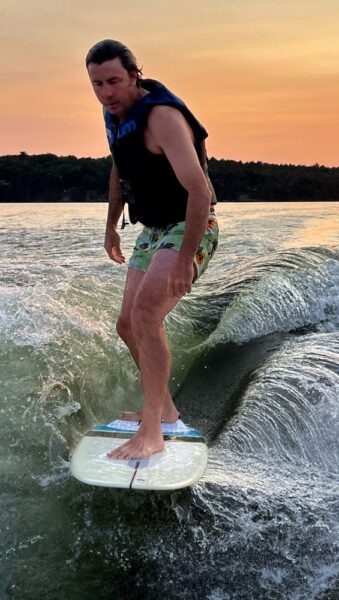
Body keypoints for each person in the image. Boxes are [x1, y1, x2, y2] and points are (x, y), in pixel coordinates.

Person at [86, 39, 219, 460]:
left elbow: (199, 190)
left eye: (114, 81)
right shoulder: (117, 116)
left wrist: (185, 260)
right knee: (127, 324)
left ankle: (153, 430)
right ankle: (165, 412)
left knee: (146, 314)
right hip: (154, 229)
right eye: (97, 84)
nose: (106, 93)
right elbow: (119, 168)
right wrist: (111, 227)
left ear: (133, 75)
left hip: (190, 225)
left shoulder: (162, 117)